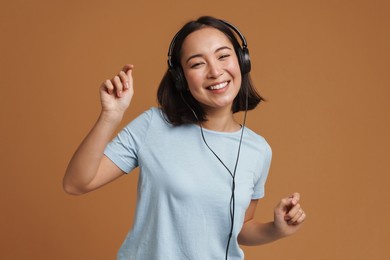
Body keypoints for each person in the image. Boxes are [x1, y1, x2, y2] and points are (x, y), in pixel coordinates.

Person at [63, 16, 306, 260]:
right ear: (181, 78)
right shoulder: (154, 125)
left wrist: (276, 229)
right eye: (197, 64)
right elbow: (76, 183)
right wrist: (110, 116)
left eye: (223, 56)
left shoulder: (258, 150)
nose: (215, 71)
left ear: (242, 61)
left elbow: (239, 228)